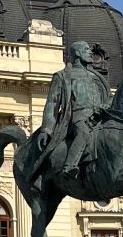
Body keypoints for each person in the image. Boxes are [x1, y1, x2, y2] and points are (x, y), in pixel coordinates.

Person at [23, 40, 112, 190]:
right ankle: (70, 166)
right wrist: (46, 129)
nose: (90, 52)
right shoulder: (63, 76)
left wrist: (105, 106)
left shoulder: (96, 76)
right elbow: (52, 103)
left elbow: (108, 97)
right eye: (86, 50)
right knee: (83, 133)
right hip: (78, 118)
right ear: (77, 53)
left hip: (99, 117)